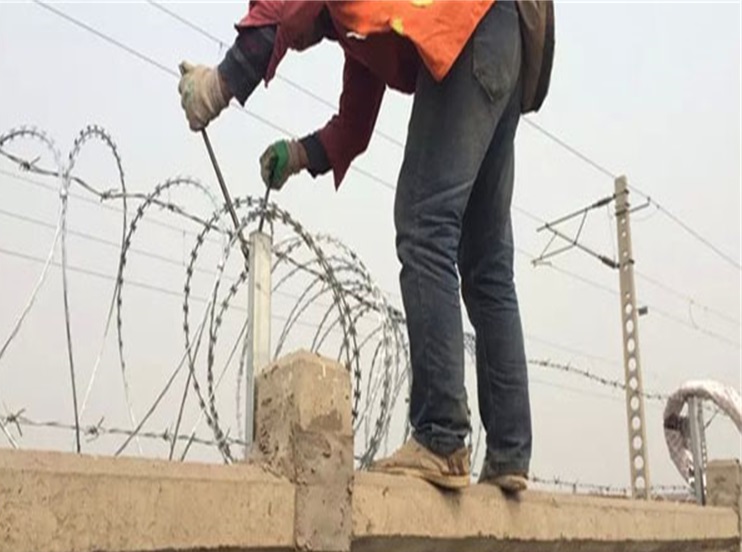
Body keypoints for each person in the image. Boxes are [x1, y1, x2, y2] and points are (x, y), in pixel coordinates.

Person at [179, 0, 555, 492]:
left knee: (424, 225)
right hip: (505, 35)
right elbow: (353, 129)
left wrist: (214, 87)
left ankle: (442, 436)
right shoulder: (363, 25)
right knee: (487, 262)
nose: (299, 42)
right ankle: (509, 450)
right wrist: (297, 154)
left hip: (471, 23)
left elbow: (278, 16)